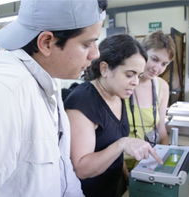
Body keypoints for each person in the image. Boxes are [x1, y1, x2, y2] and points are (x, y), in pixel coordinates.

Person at [0, 0, 105, 196]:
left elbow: (61, 171)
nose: (95, 54)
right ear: (46, 43)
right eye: (86, 44)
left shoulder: (45, 77)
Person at [66, 34, 163, 197]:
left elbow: (113, 150)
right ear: (104, 69)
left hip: (113, 187)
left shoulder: (118, 94)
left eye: (139, 76)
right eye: (129, 74)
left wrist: (127, 179)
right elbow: (81, 169)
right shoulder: (83, 102)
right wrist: (122, 144)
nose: (135, 82)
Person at [122, 30, 177, 174]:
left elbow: (161, 127)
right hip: (119, 162)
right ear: (141, 52)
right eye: (154, 59)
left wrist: (166, 160)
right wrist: (126, 175)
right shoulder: (123, 83)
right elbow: (111, 135)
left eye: (164, 64)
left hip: (148, 161)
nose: (157, 68)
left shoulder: (162, 87)